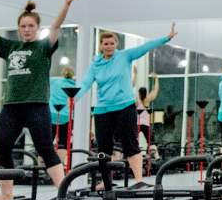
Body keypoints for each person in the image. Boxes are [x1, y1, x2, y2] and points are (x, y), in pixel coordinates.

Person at [0, 0, 83, 200]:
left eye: (30, 26)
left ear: (37, 28)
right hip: (12, 106)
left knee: (45, 148)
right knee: (3, 146)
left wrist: (67, 4)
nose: (26, 30)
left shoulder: (43, 46)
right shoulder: (10, 46)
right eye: (23, 26)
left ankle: (63, 192)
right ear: (18, 28)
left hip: (36, 105)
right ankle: (7, 194)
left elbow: (56, 26)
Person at [78, 26, 176, 188]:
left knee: (130, 142)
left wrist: (166, 38)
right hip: (103, 110)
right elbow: (87, 82)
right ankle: (105, 181)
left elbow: (145, 47)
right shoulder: (96, 64)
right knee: (103, 147)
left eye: (111, 43)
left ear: (116, 44)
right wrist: (74, 97)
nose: (108, 46)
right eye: (105, 43)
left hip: (125, 107)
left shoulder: (124, 56)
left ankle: (138, 180)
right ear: (101, 45)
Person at [49, 65, 75, 166]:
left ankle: (42, 168)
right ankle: (59, 166)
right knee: (63, 142)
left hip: (51, 114)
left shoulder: (54, 80)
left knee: (46, 142)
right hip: (65, 116)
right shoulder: (74, 84)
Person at [135, 75, 160, 150]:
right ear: (146, 93)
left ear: (139, 93)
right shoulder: (148, 99)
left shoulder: (136, 101)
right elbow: (155, 90)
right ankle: (156, 156)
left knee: (134, 140)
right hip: (146, 124)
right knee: (150, 142)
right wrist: (156, 79)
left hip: (138, 124)